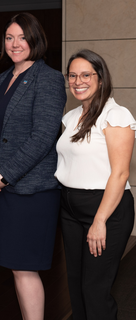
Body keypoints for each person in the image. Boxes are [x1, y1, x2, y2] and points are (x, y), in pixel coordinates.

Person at [0, 12, 66, 320]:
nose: (15, 44)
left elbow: (43, 137)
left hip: (31, 192)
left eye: (22, 37)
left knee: (26, 268)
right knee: (15, 267)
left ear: (35, 39)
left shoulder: (49, 78)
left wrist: (4, 177)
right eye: (9, 37)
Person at [55, 49, 136, 320]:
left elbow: (120, 173)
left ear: (100, 78)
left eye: (86, 75)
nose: (78, 81)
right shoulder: (70, 117)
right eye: (73, 76)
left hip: (105, 211)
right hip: (70, 209)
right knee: (76, 286)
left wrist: (99, 220)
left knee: (94, 289)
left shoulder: (116, 115)